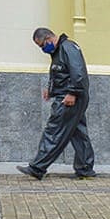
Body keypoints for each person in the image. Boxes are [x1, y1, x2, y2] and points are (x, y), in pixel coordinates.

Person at [19, 28, 96, 180]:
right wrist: (51, 90)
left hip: (69, 98)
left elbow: (78, 72)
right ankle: (85, 168)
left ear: (49, 38)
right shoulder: (59, 51)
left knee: (54, 131)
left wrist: (72, 92)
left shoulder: (68, 48)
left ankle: (37, 167)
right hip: (68, 96)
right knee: (78, 133)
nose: (42, 49)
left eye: (42, 45)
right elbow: (61, 73)